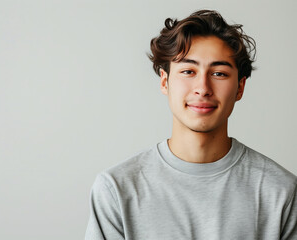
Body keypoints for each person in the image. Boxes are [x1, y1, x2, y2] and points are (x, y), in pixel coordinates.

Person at [85, 10, 297, 240]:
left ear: (240, 88)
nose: (203, 87)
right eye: (188, 71)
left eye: (219, 73)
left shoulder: (281, 191)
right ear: (165, 82)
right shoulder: (117, 189)